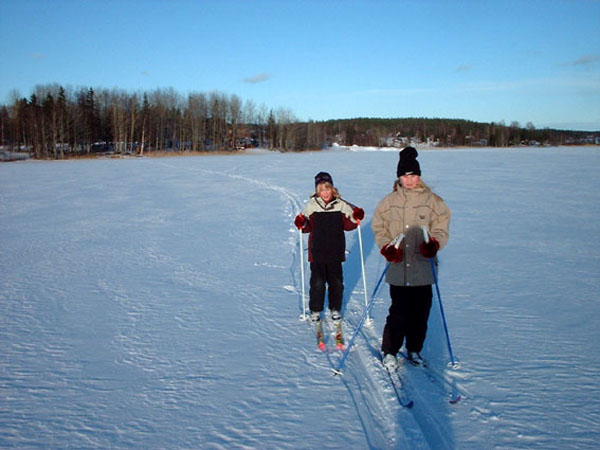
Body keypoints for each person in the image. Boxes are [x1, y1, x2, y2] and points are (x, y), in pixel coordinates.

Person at [371, 147, 450, 370]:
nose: (410, 179)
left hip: (423, 269)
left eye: (414, 175)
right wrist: (386, 247)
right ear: (399, 177)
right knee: (398, 312)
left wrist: (434, 244)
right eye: (406, 175)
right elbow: (379, 227)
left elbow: (442, 227)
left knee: (420, 313)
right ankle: (390, 351)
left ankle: (414, 348)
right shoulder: (388, 202)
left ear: (419, 176)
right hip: (398, 268)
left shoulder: (433, 201)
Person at [294, 171, 364, 323]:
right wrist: (301, 223)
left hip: (335, 250)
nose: (325, 192)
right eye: (321, 190)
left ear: (332, 189)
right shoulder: (312, 206)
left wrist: (355, 216)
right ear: (317, 191)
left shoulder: (341, 205)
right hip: (317, 251)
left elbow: (349, 224)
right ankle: (315, 309)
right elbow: (306, 226)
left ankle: (335, 307)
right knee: (317, 282)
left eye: (327, 188)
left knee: (336, 282)